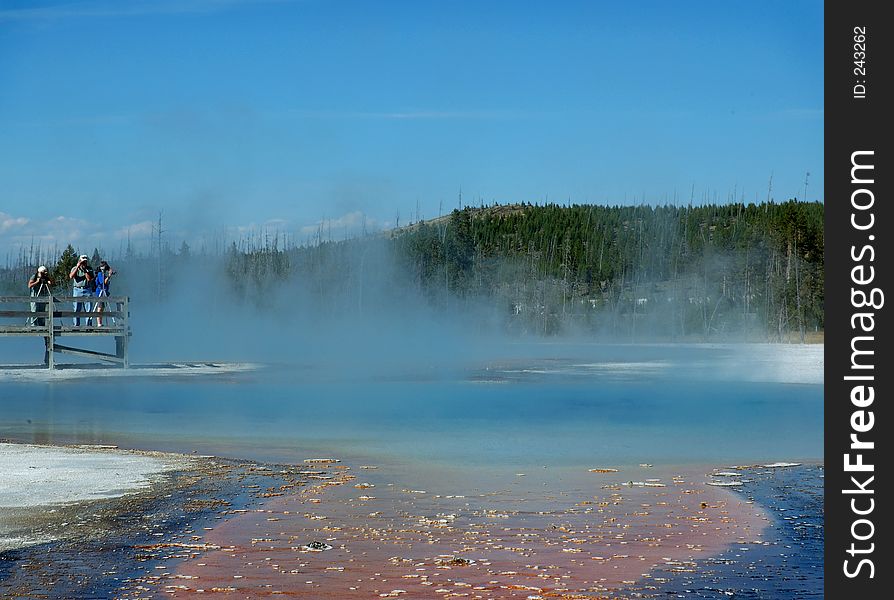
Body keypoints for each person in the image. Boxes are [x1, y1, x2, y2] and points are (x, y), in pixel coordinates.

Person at [69, 254, 94, 326]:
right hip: (77, 290)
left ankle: (88, 326)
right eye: (83, 262)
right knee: (76, 309)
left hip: (87, 289)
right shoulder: (74, 268)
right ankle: (76, 326)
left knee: (88, 309)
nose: (84, 263)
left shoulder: (89, 269)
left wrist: (85, 270)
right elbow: (71, 276)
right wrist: (77, 267)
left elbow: (89, 279)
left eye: (85, 262)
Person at [94, 260, 114, 327]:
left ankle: (100, 322)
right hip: (100, 292)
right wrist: (109, 276)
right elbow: (103, 282)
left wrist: (110, 273)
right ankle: (99, 323)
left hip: (104, 292)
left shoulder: (103, 274)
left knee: (102, 307)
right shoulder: (100, 274)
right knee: (100, 307)